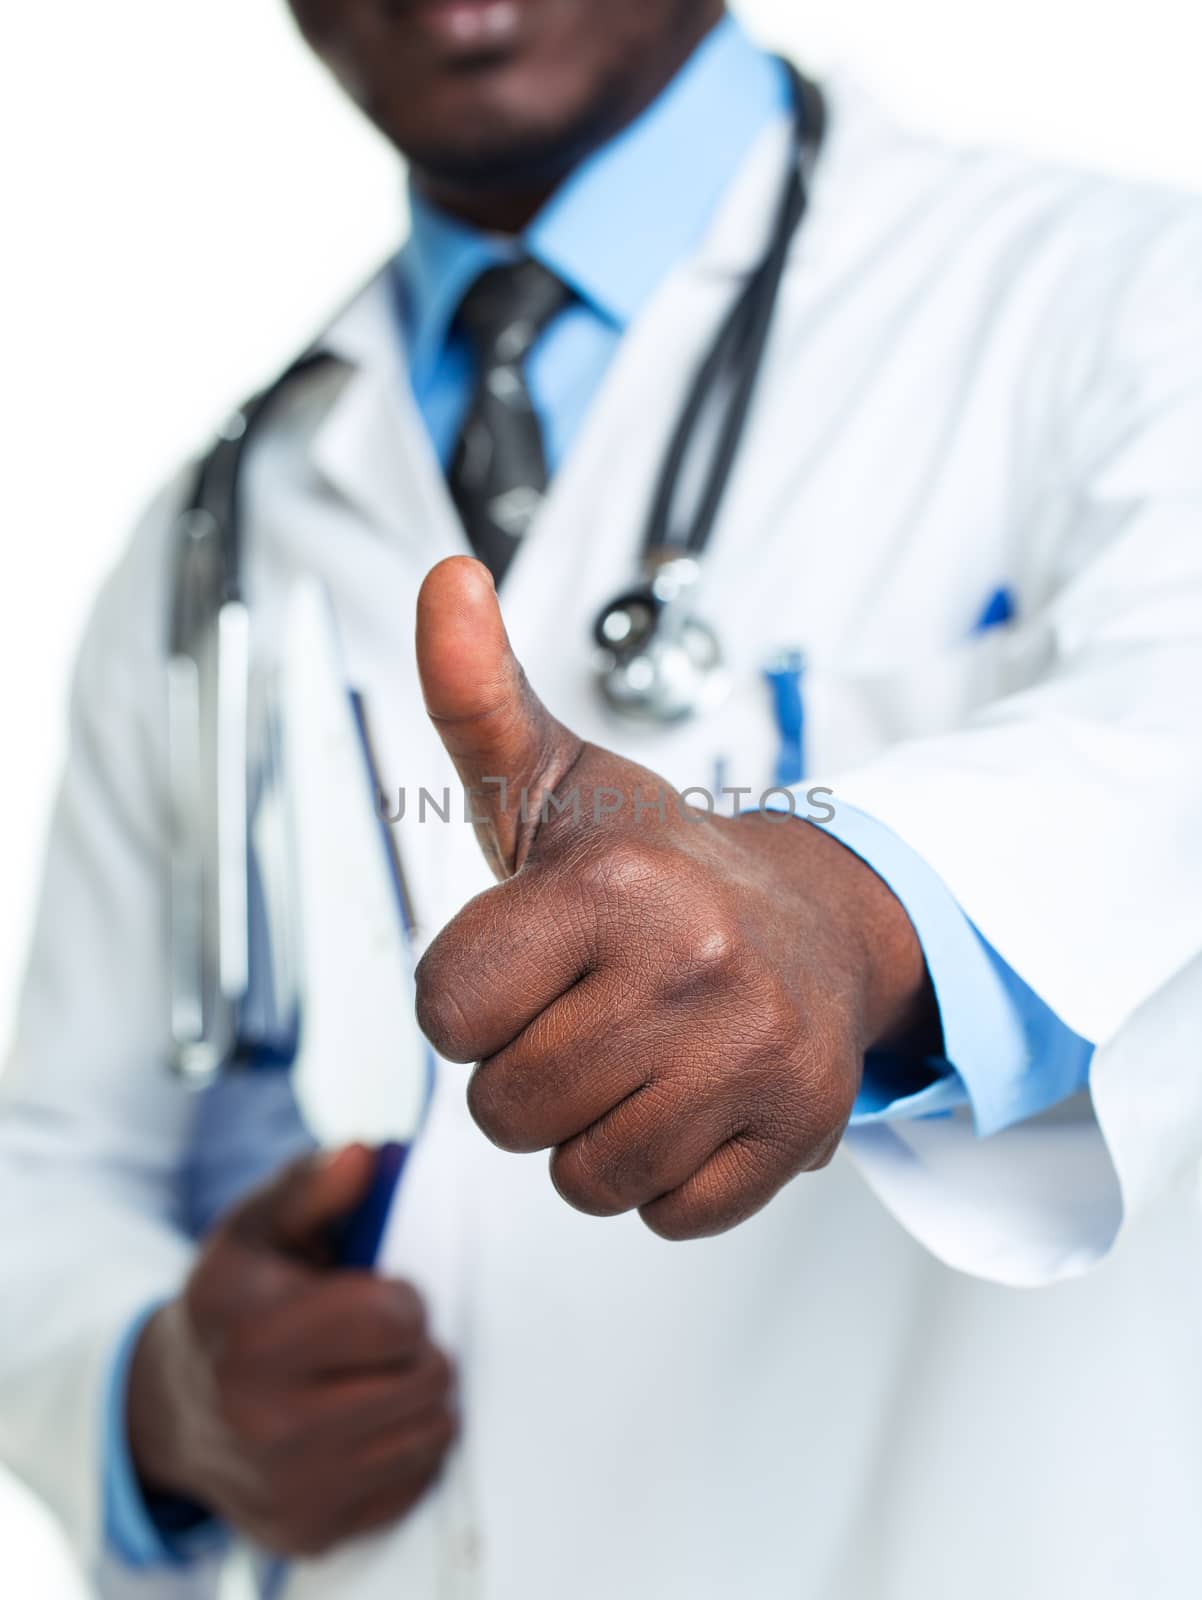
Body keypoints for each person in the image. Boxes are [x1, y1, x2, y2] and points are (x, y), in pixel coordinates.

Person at [2, 2, 1201, 1597]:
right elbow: (59, 1165)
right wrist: (157, 1394)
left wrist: (851, 913)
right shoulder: (215, 531)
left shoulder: (1121, 298)